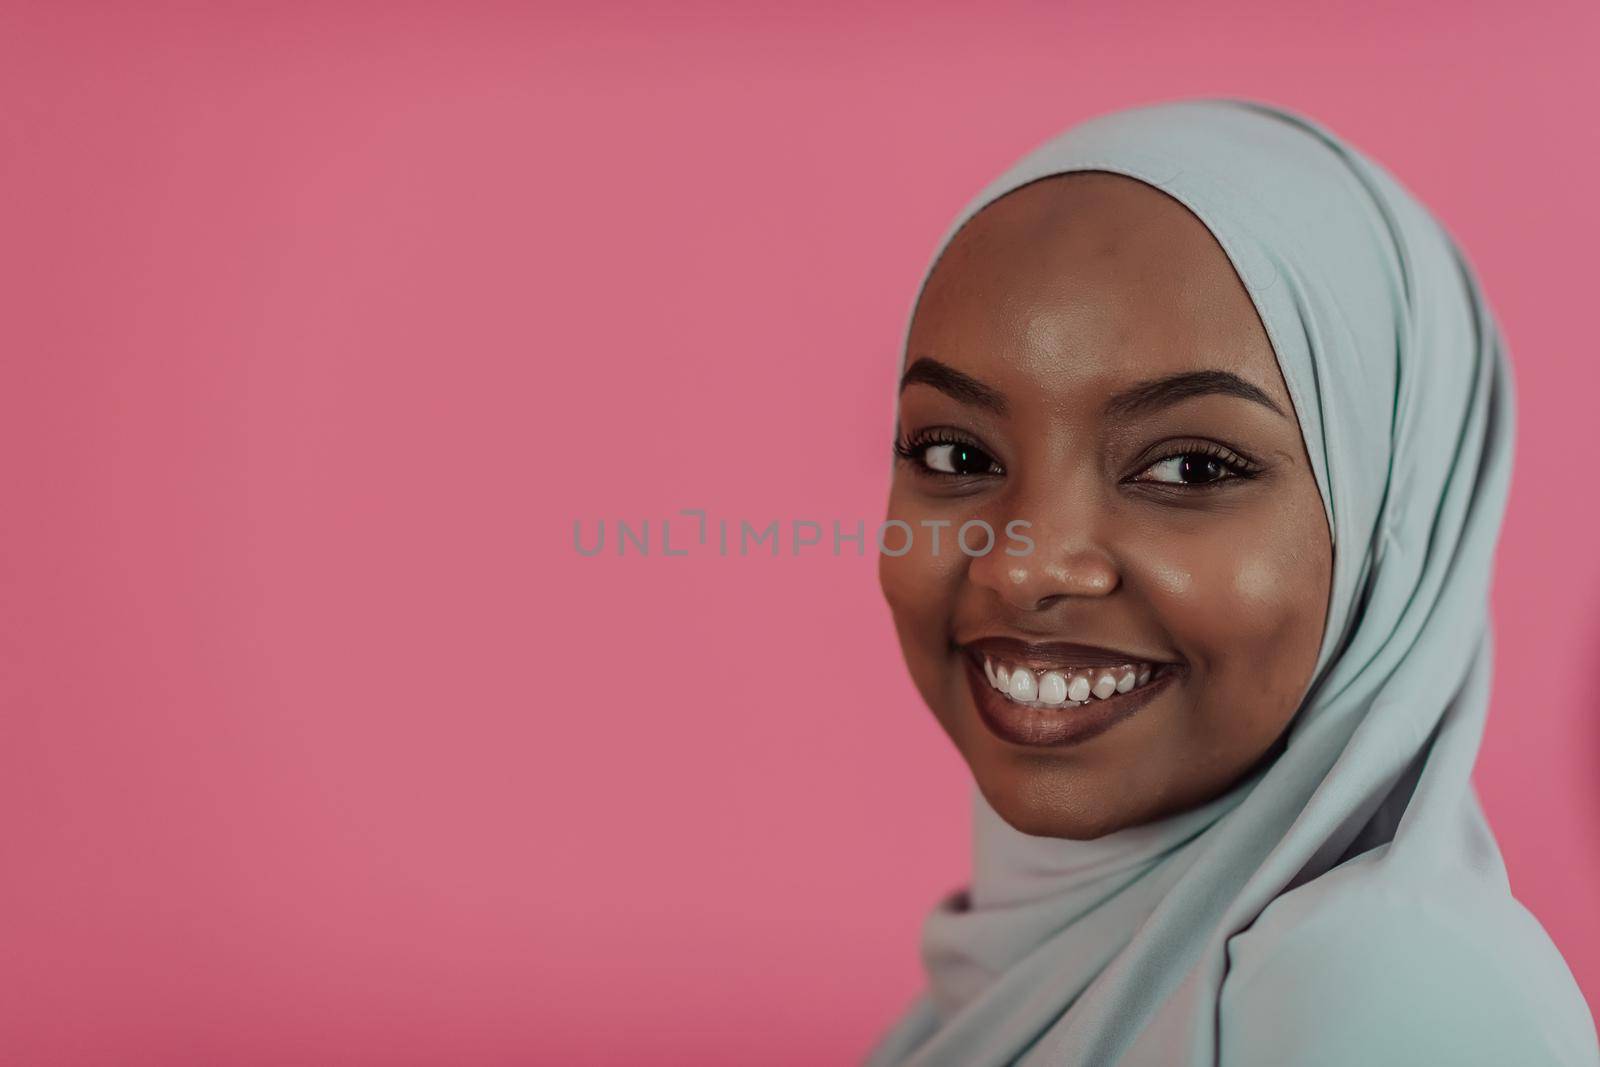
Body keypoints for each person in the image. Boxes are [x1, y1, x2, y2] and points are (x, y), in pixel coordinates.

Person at [868, 98, 1599, 1066]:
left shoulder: (1390, 993)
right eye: (957, 452)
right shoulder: (1002, 974)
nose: (1025, 562)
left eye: (1191, 468)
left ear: (1393, 525)